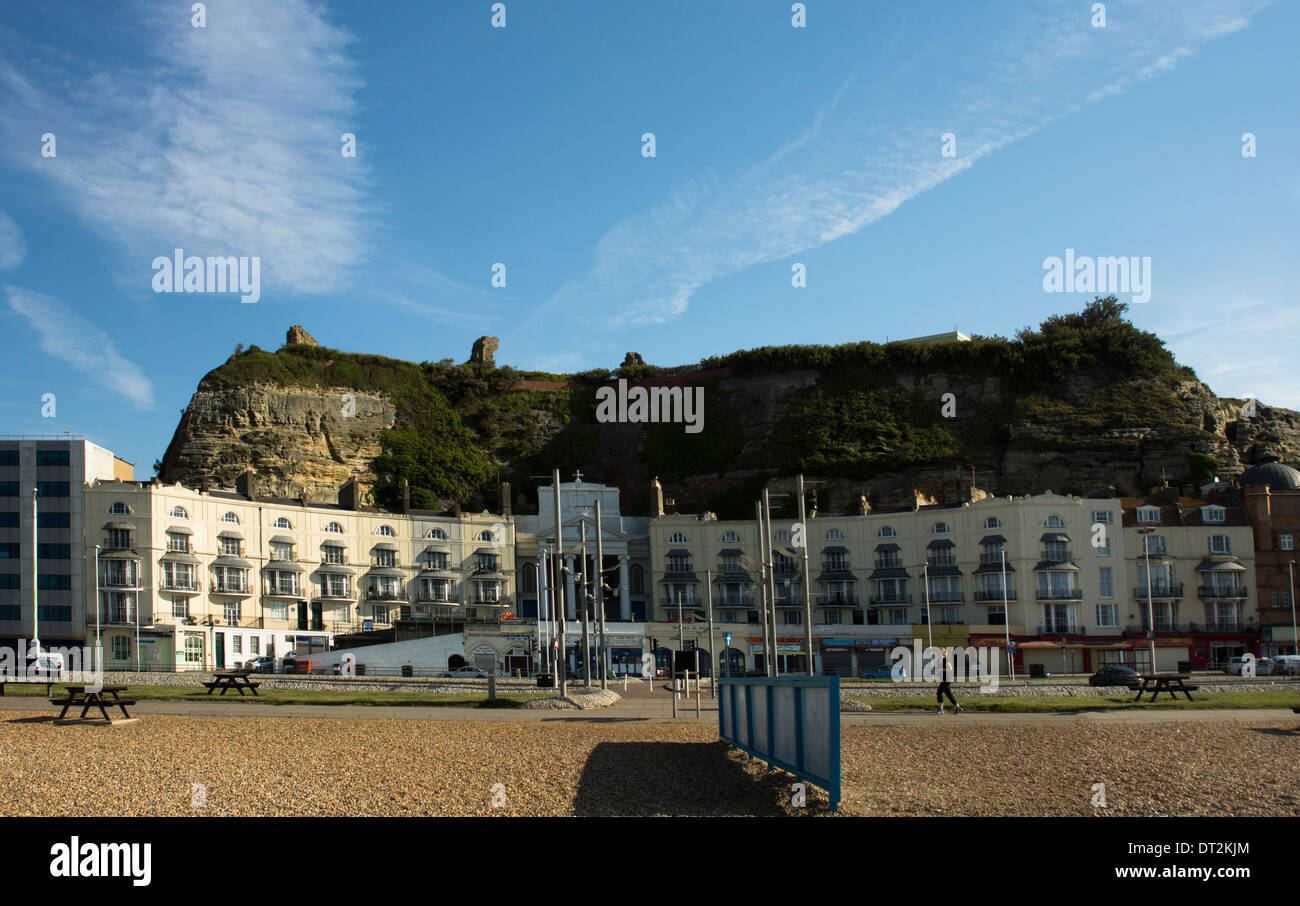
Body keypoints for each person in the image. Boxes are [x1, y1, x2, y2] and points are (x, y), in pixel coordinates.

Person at [936, 646, 962, 714]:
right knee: (949, 695)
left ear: (943, 653)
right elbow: (938, 669)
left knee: (939, 692)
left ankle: (941, 709)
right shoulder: (939, 660)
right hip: (943, 679)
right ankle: (958, 707)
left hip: (946, 680)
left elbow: (950, 669)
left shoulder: (945, 660)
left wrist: (941, 669)